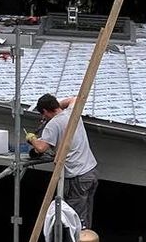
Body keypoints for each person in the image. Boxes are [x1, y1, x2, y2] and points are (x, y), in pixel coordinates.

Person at [26, 93, 99, 228]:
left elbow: (41, 148)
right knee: (86, 214)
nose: (43, 118)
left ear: (46, 111)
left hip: (77, 176)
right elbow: (74, 99)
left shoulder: (53, 124)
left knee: (75, 219)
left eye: (43, 114)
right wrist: (55, 105)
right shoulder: (72, 112)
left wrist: (31, 139)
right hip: (90, 171)